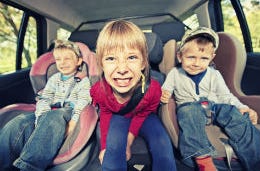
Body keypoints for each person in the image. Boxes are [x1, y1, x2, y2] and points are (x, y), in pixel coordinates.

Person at [160, 27, 260, 171]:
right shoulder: (175, 73)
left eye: (204, 58)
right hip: (189, 108)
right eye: (191, 57)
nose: (196, 63)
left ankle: (255, 159)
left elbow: (225, 96)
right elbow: (166, 90)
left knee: (234, 114)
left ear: (211, 57)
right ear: (180, 56)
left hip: (213, 107)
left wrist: (241, 107)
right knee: (188, 111)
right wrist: (164, 95)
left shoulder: (214, 74)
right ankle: (203, 160)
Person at [90, 20, 177, 171]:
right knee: (113, 150)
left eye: (131, 57)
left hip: (144, 116)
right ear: (101, 64)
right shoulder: (98, 91)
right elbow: (105, 114)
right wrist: (104, 147)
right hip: (117, 116)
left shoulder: (153, 90)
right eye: (111, 58)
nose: (122, 69)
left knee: (162, 143)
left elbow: (143, 113)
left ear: (143, 63)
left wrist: (129, 140)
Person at [0, 40, 91, 171]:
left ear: (79, 61)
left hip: (66, 111)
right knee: (20, 121)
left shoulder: (83, 81)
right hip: (47, 111)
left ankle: (28, 166)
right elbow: (45, 98)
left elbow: (83, 102)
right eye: (58, 59)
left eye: (67, 58)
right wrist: (40, 117)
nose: (62, 62)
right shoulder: (54, 79)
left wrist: (74, 121)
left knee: (55, 116)